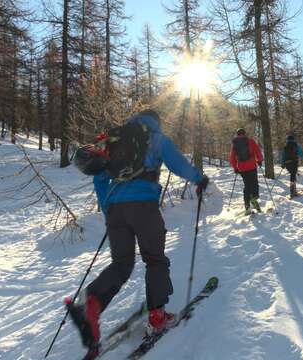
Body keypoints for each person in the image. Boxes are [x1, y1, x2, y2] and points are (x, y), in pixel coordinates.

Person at [70, 110, 209, 359]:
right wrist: (199, 178)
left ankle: (92, 300)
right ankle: (157, 315)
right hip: (143, 205)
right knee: (154, 258)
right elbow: (177, 164)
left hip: (115, 208)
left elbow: (100, 178)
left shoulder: (116, 140)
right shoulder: (155, 137)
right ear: (156, 121)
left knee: (121, 264)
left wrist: (108, 208)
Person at [230, 128, 264, 213]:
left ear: (237, 134)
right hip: (252, 166)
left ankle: (247, 205)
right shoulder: (250, 141)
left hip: (242, 168)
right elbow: (257, 151)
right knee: (254, 184)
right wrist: (259, 160)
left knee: (247, 185)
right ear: (245, 134)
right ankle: (254, 198)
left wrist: (235, 167)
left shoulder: (235, 144)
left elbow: (232, 158)